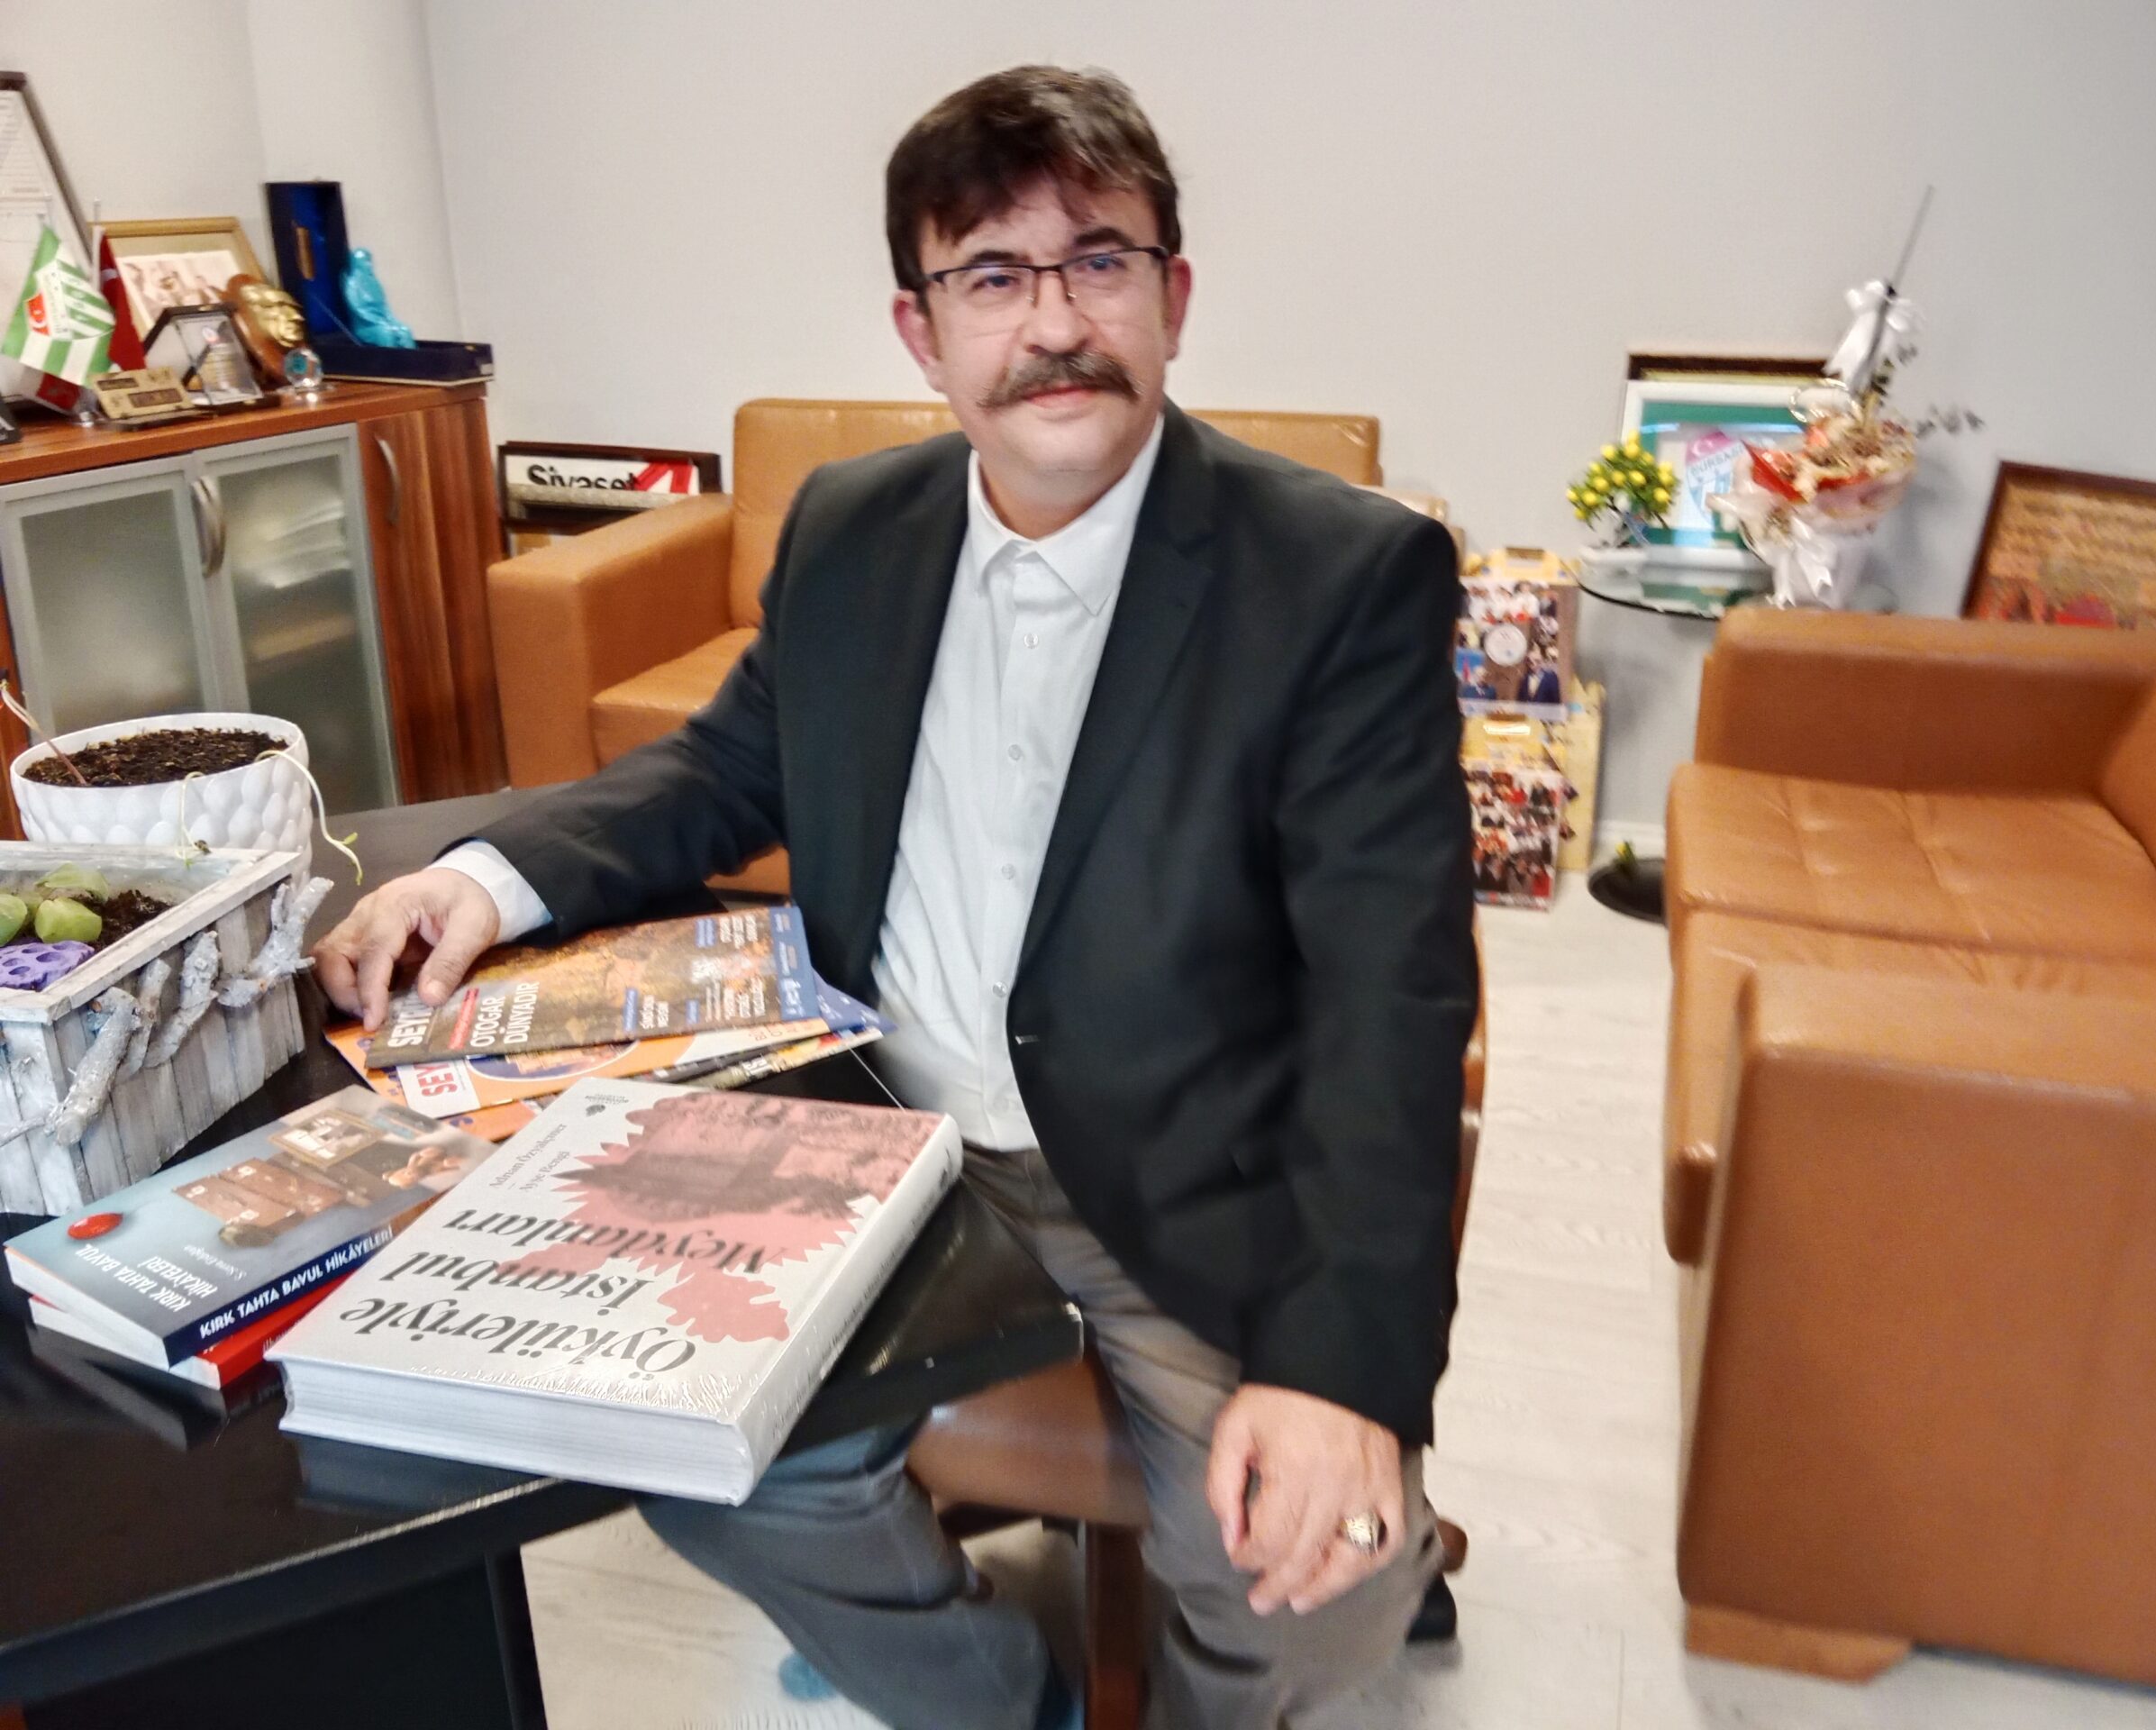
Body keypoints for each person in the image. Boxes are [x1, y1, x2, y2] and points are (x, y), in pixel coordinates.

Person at [314, 64, 1476, 1730]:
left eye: (1100, 261)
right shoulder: (855, 529)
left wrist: (1340, 1378)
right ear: (922, 334)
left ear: (1174, 297)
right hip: (883, 1149)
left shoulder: (1341, 575)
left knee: (1323, 1597)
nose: (1054, 321)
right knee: (698, 1454)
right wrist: (483, 876)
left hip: (1189, 1173)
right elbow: (725, 770)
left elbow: (1390, 992)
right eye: (992, 276)